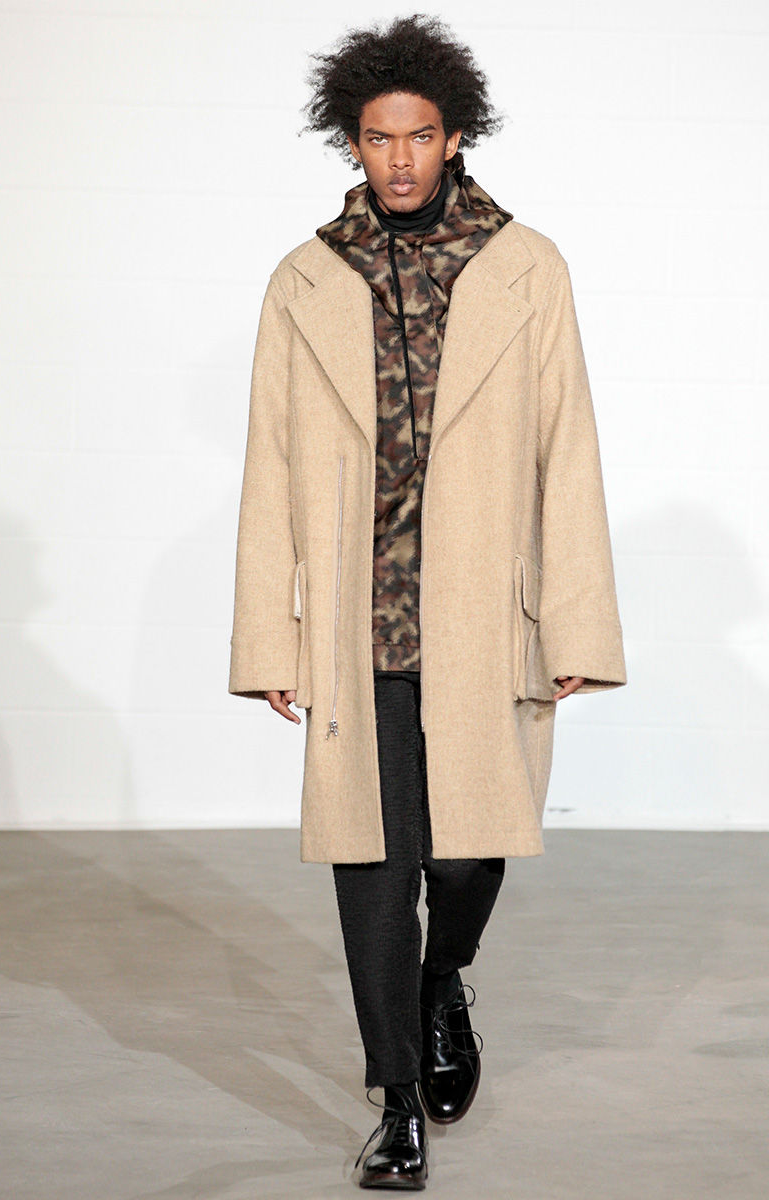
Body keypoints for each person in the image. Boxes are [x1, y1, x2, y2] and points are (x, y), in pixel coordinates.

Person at [228, 14, 627, 1191]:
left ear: (455, 138)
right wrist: (271, 637)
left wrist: (572, 619)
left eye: (418, 137)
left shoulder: (523, 265)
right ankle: (394, 1100)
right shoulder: (305, 278)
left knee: (464, 857)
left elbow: (566, 448)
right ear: (349, 143)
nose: (397, 160)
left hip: (480, 617)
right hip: (357, 624)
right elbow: (269, 467)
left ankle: (442, 976)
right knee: (371, 864)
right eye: (376, 138)